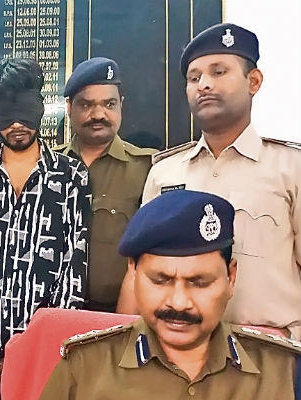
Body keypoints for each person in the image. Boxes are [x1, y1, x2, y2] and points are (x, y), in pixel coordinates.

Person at [117, 23, 301, 339]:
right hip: (178, 350)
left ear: (254, 81)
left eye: (219, 72)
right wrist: (122, 345)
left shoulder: (290, 168)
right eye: (194, 77)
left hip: (269, 352)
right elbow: (139, 272)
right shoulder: (165, 172)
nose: (204, 84)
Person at [40, 190, 301, 399]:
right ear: (133, 272)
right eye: (160, 281)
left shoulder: (286, 372)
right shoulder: (85, 368)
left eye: (199, 283)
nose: (179, 303)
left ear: (231, 278)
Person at [0, 57, 91, 399]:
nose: (17, 125)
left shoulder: (71, 176)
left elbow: (73, 272)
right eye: (7, 115)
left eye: (25, 112)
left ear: (40, 107)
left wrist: (37, 348)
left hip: (41, 361)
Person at [54, 57, 156, 312]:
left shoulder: (147, 169)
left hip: (118, 313)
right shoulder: (47, 167)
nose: (98, 114)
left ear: (121, 105)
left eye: (109, 104)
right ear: (69, 108)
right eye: (86, 104)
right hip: (53, 312)